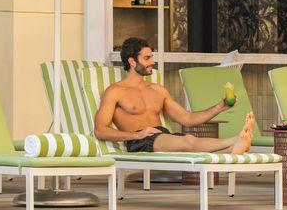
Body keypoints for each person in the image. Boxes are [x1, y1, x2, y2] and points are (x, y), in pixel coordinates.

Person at [94, 37, 254, 154]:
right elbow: (100, 130)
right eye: (147, 58)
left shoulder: (157, 90)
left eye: (152, 57)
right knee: (189, 140)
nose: (152, 62)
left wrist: (220, 107)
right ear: (132, 61)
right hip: (139, 141)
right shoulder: (115, 91)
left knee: (190, 141)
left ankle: (233, 148)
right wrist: (136, 134)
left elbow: (188, 119)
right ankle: (234, 140)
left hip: (163, 136)